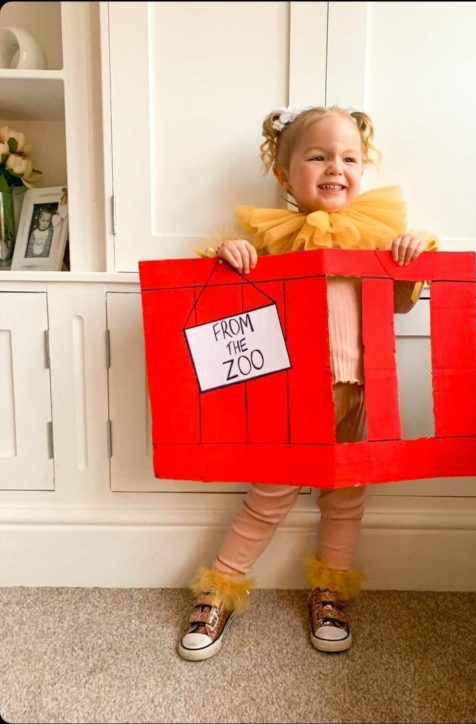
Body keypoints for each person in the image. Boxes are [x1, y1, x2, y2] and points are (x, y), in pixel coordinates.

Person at [178, 105, 439, 661]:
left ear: (362, 168)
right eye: (317, 156)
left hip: (359, 391)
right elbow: (225, 308)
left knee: (345, 497)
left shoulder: (376, 235)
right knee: (268, 496)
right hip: (293, 396)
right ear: (284, 172)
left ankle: (330, 590)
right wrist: (230, 258)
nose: (334, 168)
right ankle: (219, 588)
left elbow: (399, 301)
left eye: (348, 157)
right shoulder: (273, 239)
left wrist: (410, 262)